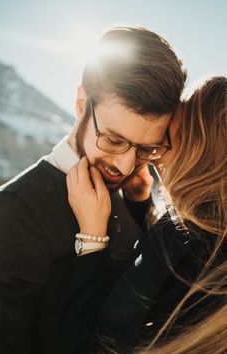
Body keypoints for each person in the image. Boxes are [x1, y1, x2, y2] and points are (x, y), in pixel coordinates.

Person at [0, 26, 186, 353]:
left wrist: (139, 207)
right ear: (82, 104)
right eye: (112, 140)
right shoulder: (8, 213)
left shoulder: (131, 189)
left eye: (145, 149)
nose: (125, 166)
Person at [56, 76, 227, 353]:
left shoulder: (187, 242)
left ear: (200, 151)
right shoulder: (210, 226)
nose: (152, 158)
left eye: (165, 143)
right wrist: (141, 205)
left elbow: (90, 343)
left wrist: (91, 237)